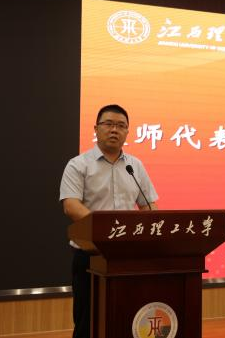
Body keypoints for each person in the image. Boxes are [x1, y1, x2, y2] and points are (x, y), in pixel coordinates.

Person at [59, 104, 158, 338]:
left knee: (127, 315)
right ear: (96, 128)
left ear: (127, 132)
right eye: (109, 124)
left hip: (127, 255)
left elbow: (149, 205)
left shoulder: (135, 166)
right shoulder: (79, 164)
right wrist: (105, 231)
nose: (114, 130)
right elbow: (71, 205)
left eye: (121, 126)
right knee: (88, 321)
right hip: (90, 255)